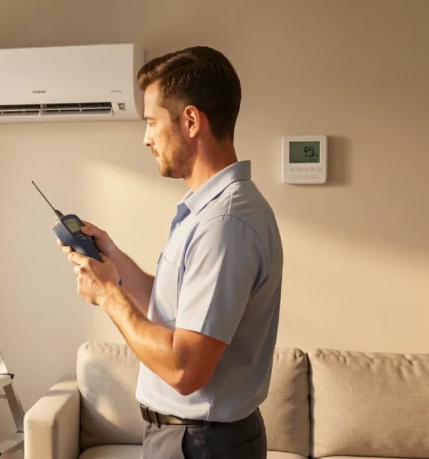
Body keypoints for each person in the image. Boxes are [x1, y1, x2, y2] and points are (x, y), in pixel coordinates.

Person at [57, 46, 283, 458]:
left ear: (191, 120)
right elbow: (176, 310)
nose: (146, 139)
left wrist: (110, 298)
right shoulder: (209, 211)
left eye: (151, 122)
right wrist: (114, 259)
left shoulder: (224, 225)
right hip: (192, 439)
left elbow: (184, 369)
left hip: (201, 444)